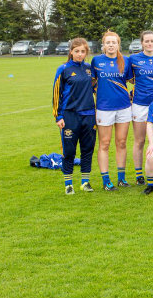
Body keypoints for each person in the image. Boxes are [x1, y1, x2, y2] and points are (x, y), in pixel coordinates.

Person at [52, 38, 96, 194]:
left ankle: (85, 182)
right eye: (77, 51)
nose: (80, 54)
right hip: (70, 116)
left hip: (89, 115)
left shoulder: (90, 69)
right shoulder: (63, 69)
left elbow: (96, 88)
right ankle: (68, 184)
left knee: (87, 149)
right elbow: (56, 93)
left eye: (83, 51)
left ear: (86, 53)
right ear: (71, 51)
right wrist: (58, 116)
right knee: (69, 151)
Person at [92, 30, 132, 190]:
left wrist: (132, 94)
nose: (110, 45)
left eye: (113, 42)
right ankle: (106, 180)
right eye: (108, 42)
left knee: (121, 142)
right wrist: (100, 93)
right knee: (105, 143)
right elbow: (92, 82)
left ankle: (121, 178)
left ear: (118, 44)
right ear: (103, 45)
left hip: (123, 107)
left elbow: (133, 80)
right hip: (104, 108)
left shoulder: (126, 61)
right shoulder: (96, 61)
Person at [127, 30, 153, 186]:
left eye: (152, 41)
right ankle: (138, 175)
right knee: (140, 140)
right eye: (146, 41)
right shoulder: (134, 59)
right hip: (139, 104)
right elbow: (130, 78)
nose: (149, 44)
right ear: (141, 43)